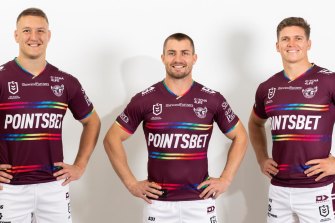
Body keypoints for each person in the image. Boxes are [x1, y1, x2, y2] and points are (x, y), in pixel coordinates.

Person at [104, 32, 247, 223]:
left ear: (194, 58)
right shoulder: (145, 99)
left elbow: (240, 136)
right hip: (158, 204)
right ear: (163, 58)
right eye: (171, 53)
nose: (178, 59)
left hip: (200, 201)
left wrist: (226, 179)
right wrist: (131, 184)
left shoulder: (212, 98)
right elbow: (111, 139)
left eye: (184, 53)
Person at [0, 8, 100, 223]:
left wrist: (80, 165)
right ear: (16, 35)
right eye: (26, 30)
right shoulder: (1, 78)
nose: (34, 37)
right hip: (9, 188)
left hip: (54, 186)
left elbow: (92, 121)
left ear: (49, 35)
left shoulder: (65, 81)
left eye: (40, 31)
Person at [249, 17, 335, 223]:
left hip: (318, 188)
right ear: (277, 46)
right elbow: (255, 123)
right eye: (285, 39)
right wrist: (261, 158)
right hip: (279, 189)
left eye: (298, 38)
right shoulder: (267, 87)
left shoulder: (328, 80)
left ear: (308, 43)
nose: (292, 44)